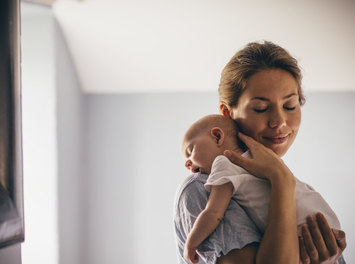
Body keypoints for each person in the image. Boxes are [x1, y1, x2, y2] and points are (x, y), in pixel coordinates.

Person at [174, 40, 347, 264]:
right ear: (227, 113)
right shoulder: (201, 188)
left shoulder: (303, 196)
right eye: (261, 108)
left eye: (290, 105)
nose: (279, 122)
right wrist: (281, 180)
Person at [180, 114, 341, 264]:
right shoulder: (265, 161)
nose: (187, 164)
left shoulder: (224, 163)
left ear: (217, 136)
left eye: (190, 151)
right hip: (325, 224)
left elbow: (213, 213)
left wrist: (191, 243)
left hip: (303, 231)